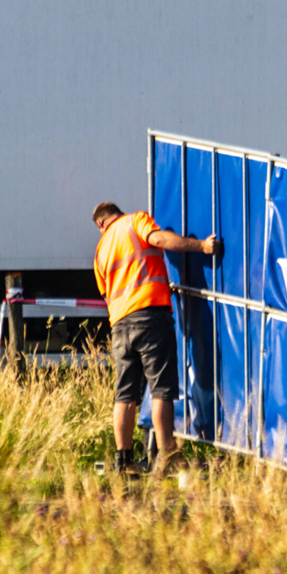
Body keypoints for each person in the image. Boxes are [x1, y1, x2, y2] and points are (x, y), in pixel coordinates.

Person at [92, 201, 220, 474]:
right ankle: (168, 457)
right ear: (116, 214)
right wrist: (202, 247)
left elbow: (112, 292)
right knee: (161, 389)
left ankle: (123, 461)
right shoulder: (134, 221)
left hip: (120, 328)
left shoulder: (100, 251)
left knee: (125, 395)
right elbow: (160, 239)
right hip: (150, 319)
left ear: (101, 224)